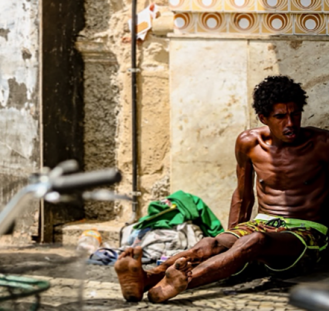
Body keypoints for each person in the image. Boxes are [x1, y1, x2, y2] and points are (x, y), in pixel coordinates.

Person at [115, 75, 329, 303]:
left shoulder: (321, 144)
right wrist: (230, 242)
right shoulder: (250, 143)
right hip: (262, 223)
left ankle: (182, 282)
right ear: (263, 117)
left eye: (294, 114)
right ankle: (148, 278)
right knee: (210, 244)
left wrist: (242, 247)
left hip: (305, 232)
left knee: (255, 240)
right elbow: (243, 194)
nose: (290, 123)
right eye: (280, 116)